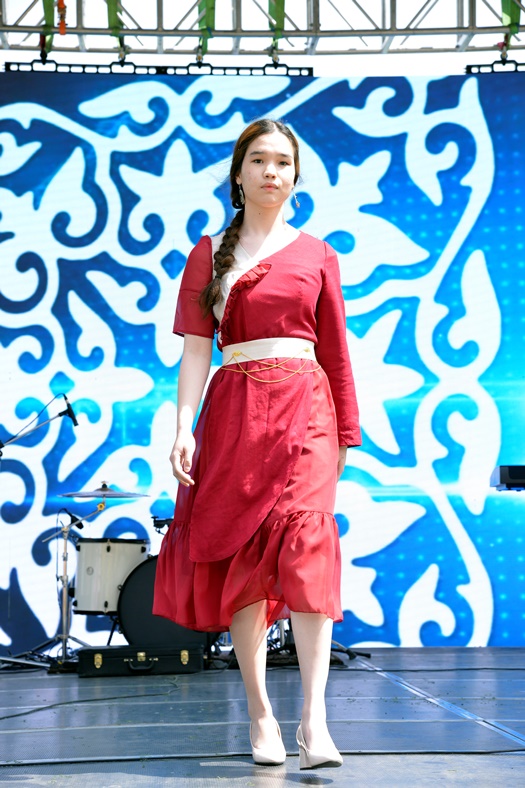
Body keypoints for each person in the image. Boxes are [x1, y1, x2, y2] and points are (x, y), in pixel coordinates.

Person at [153, 118, 361, 770]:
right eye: (259, 161)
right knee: (244, 559)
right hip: (236, 412)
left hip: (308, 411)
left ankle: (314, 721)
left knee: (308, 550)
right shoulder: (207, 252)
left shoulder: (318, 253)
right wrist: (182, 426)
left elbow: (335, 351)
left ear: (295, 176)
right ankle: (261, 713)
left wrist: (345, 432)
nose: (272, 171)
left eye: (283, 162)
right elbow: (195, 351)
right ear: (239, 174)